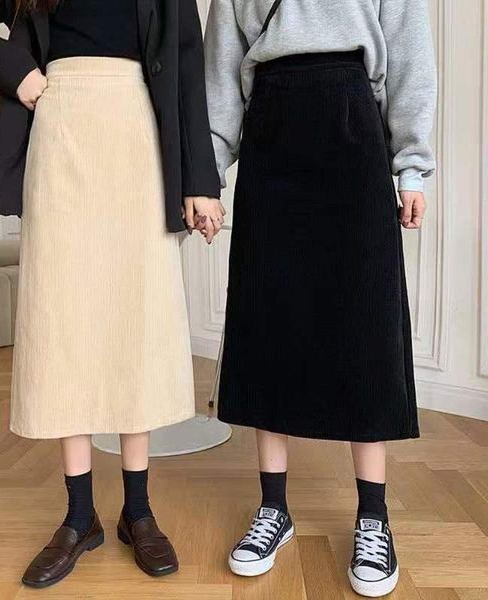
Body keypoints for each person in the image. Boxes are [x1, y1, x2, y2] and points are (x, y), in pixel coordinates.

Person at [0, 0, 224, 587]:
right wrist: (19, 72)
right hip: (59, 140)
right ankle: (79, 515)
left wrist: (201, 182)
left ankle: (138, 510)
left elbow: (187, 67)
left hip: (140, 141)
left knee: (135, 316)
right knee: (62, 318)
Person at [204, 0, 436, 596]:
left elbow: (409, 52)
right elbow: (222, 70)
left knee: (365, 320)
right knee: (268, 320)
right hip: (270, 135)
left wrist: (411, 167)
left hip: (353, 129)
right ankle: (273, 507)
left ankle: (373, 515)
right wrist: (208, 176)